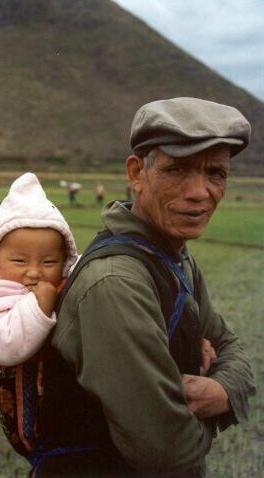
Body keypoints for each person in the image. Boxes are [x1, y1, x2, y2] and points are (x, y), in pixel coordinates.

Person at [32, 98, 256, 478]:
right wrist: (210, 409)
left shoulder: (174, 257)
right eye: (178, 169)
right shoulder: (116, 283)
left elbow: (233, 350)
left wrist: (220, 393)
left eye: (215, 173)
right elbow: (168, 453)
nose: (199, 192)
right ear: (137, 173)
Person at [0, 172, 78, 367]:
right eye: (19, 261)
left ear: (65, 261)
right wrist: (38, 307)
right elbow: (1, 348)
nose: (34, 272)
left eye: (48, 262)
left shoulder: (74, 280)